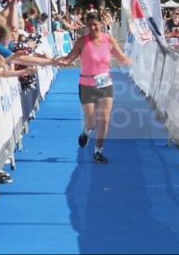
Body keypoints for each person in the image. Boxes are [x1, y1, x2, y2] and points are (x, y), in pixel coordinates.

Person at [55, 11, 132, 164]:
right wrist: (60, 61)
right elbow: (70, 58)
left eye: (95, 24)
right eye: (89, 25)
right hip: (86, 85)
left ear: (101, 24)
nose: (92, 28)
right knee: (91, 122)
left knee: (104, 120)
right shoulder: (82, 42)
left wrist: (131, 61)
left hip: (105, 84)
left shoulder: (109, 40)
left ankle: (98, 151)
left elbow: (121, 57)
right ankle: (85, 132)